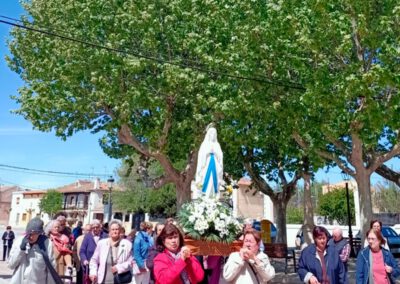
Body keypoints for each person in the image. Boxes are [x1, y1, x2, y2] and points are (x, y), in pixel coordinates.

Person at [8, 217, 57, 284]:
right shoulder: (18, 242)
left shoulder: (47, 244)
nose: (31, 237)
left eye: (34, 234)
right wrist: (21, 250)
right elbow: (11, 265)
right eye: (29, 233)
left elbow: (51, 270)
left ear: (40, 233)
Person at [89, 219, 132, 284]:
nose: (114, 231)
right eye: (113, 229)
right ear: (109, 231)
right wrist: (93, 273)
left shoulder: (127, 244)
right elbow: (94, 260)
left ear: (120, 230)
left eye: (117, 229)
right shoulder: (102, 243)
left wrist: (119, 267)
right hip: (103, 280)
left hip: (120, 280)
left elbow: (131, 262)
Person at [192, 125, 223, 199]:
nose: (213, 135)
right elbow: (201, 155)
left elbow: (220, 156)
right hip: (206, 164)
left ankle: (212, 197)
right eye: (211, 133)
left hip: (215, 164)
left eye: (214, 134)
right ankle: (205, 197)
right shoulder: (205, 144)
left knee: (213, 180)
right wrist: (208, 152)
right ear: (208, 134)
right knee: (206, 180)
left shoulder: (217, 145)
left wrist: (215, 152)